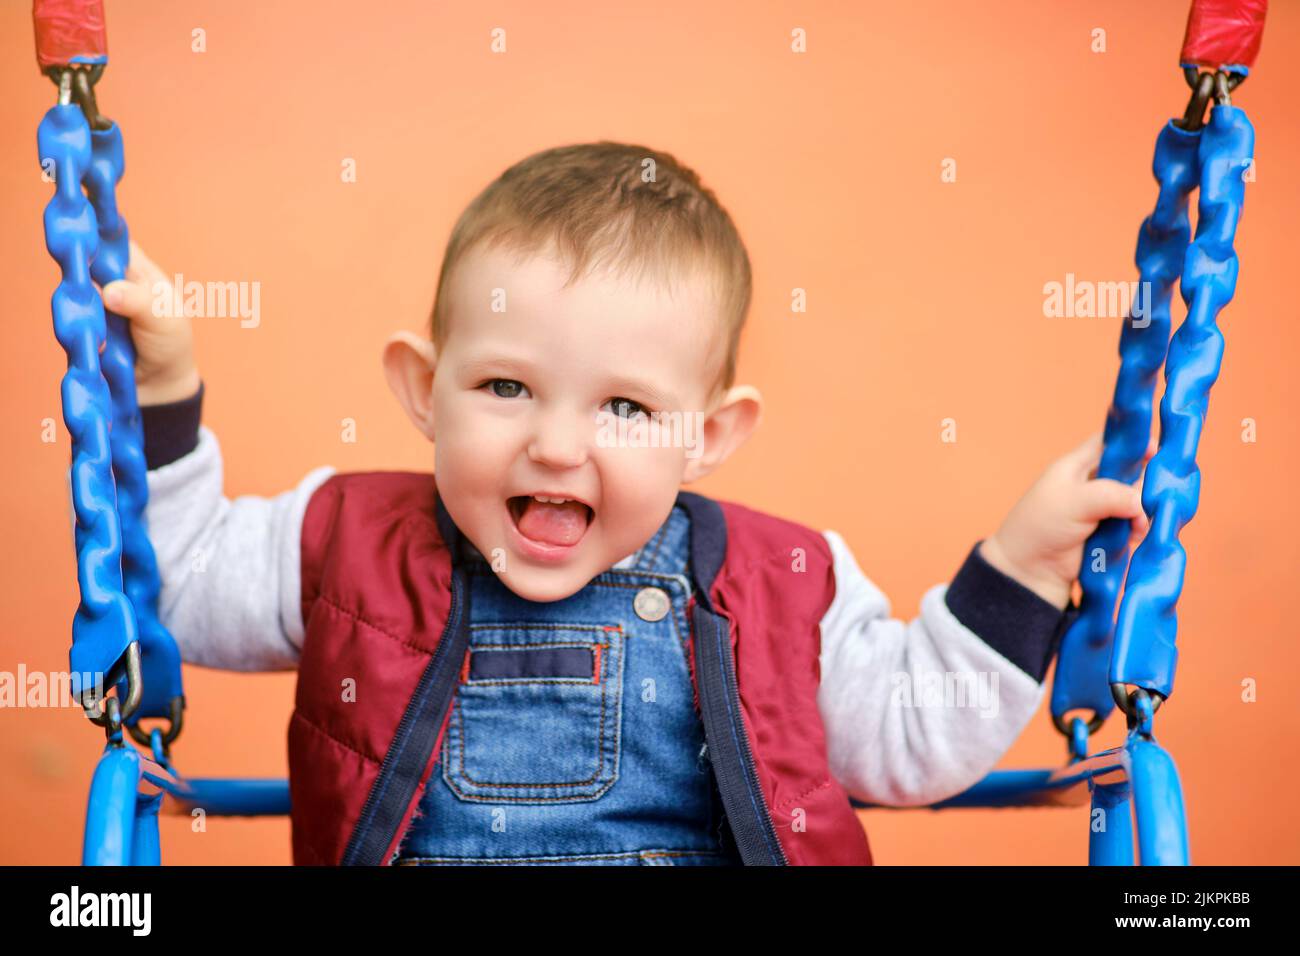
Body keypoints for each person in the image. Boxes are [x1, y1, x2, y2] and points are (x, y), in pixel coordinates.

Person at [104, 141, 1149, 865]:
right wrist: (161, 396)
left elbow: (908, 738)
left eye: (625, 406)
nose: (557, 443)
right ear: (425, 389)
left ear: (710, 434)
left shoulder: (777, 585)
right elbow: (180, 581)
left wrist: (1016, 569)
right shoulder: (342, 543)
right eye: (505, 387)